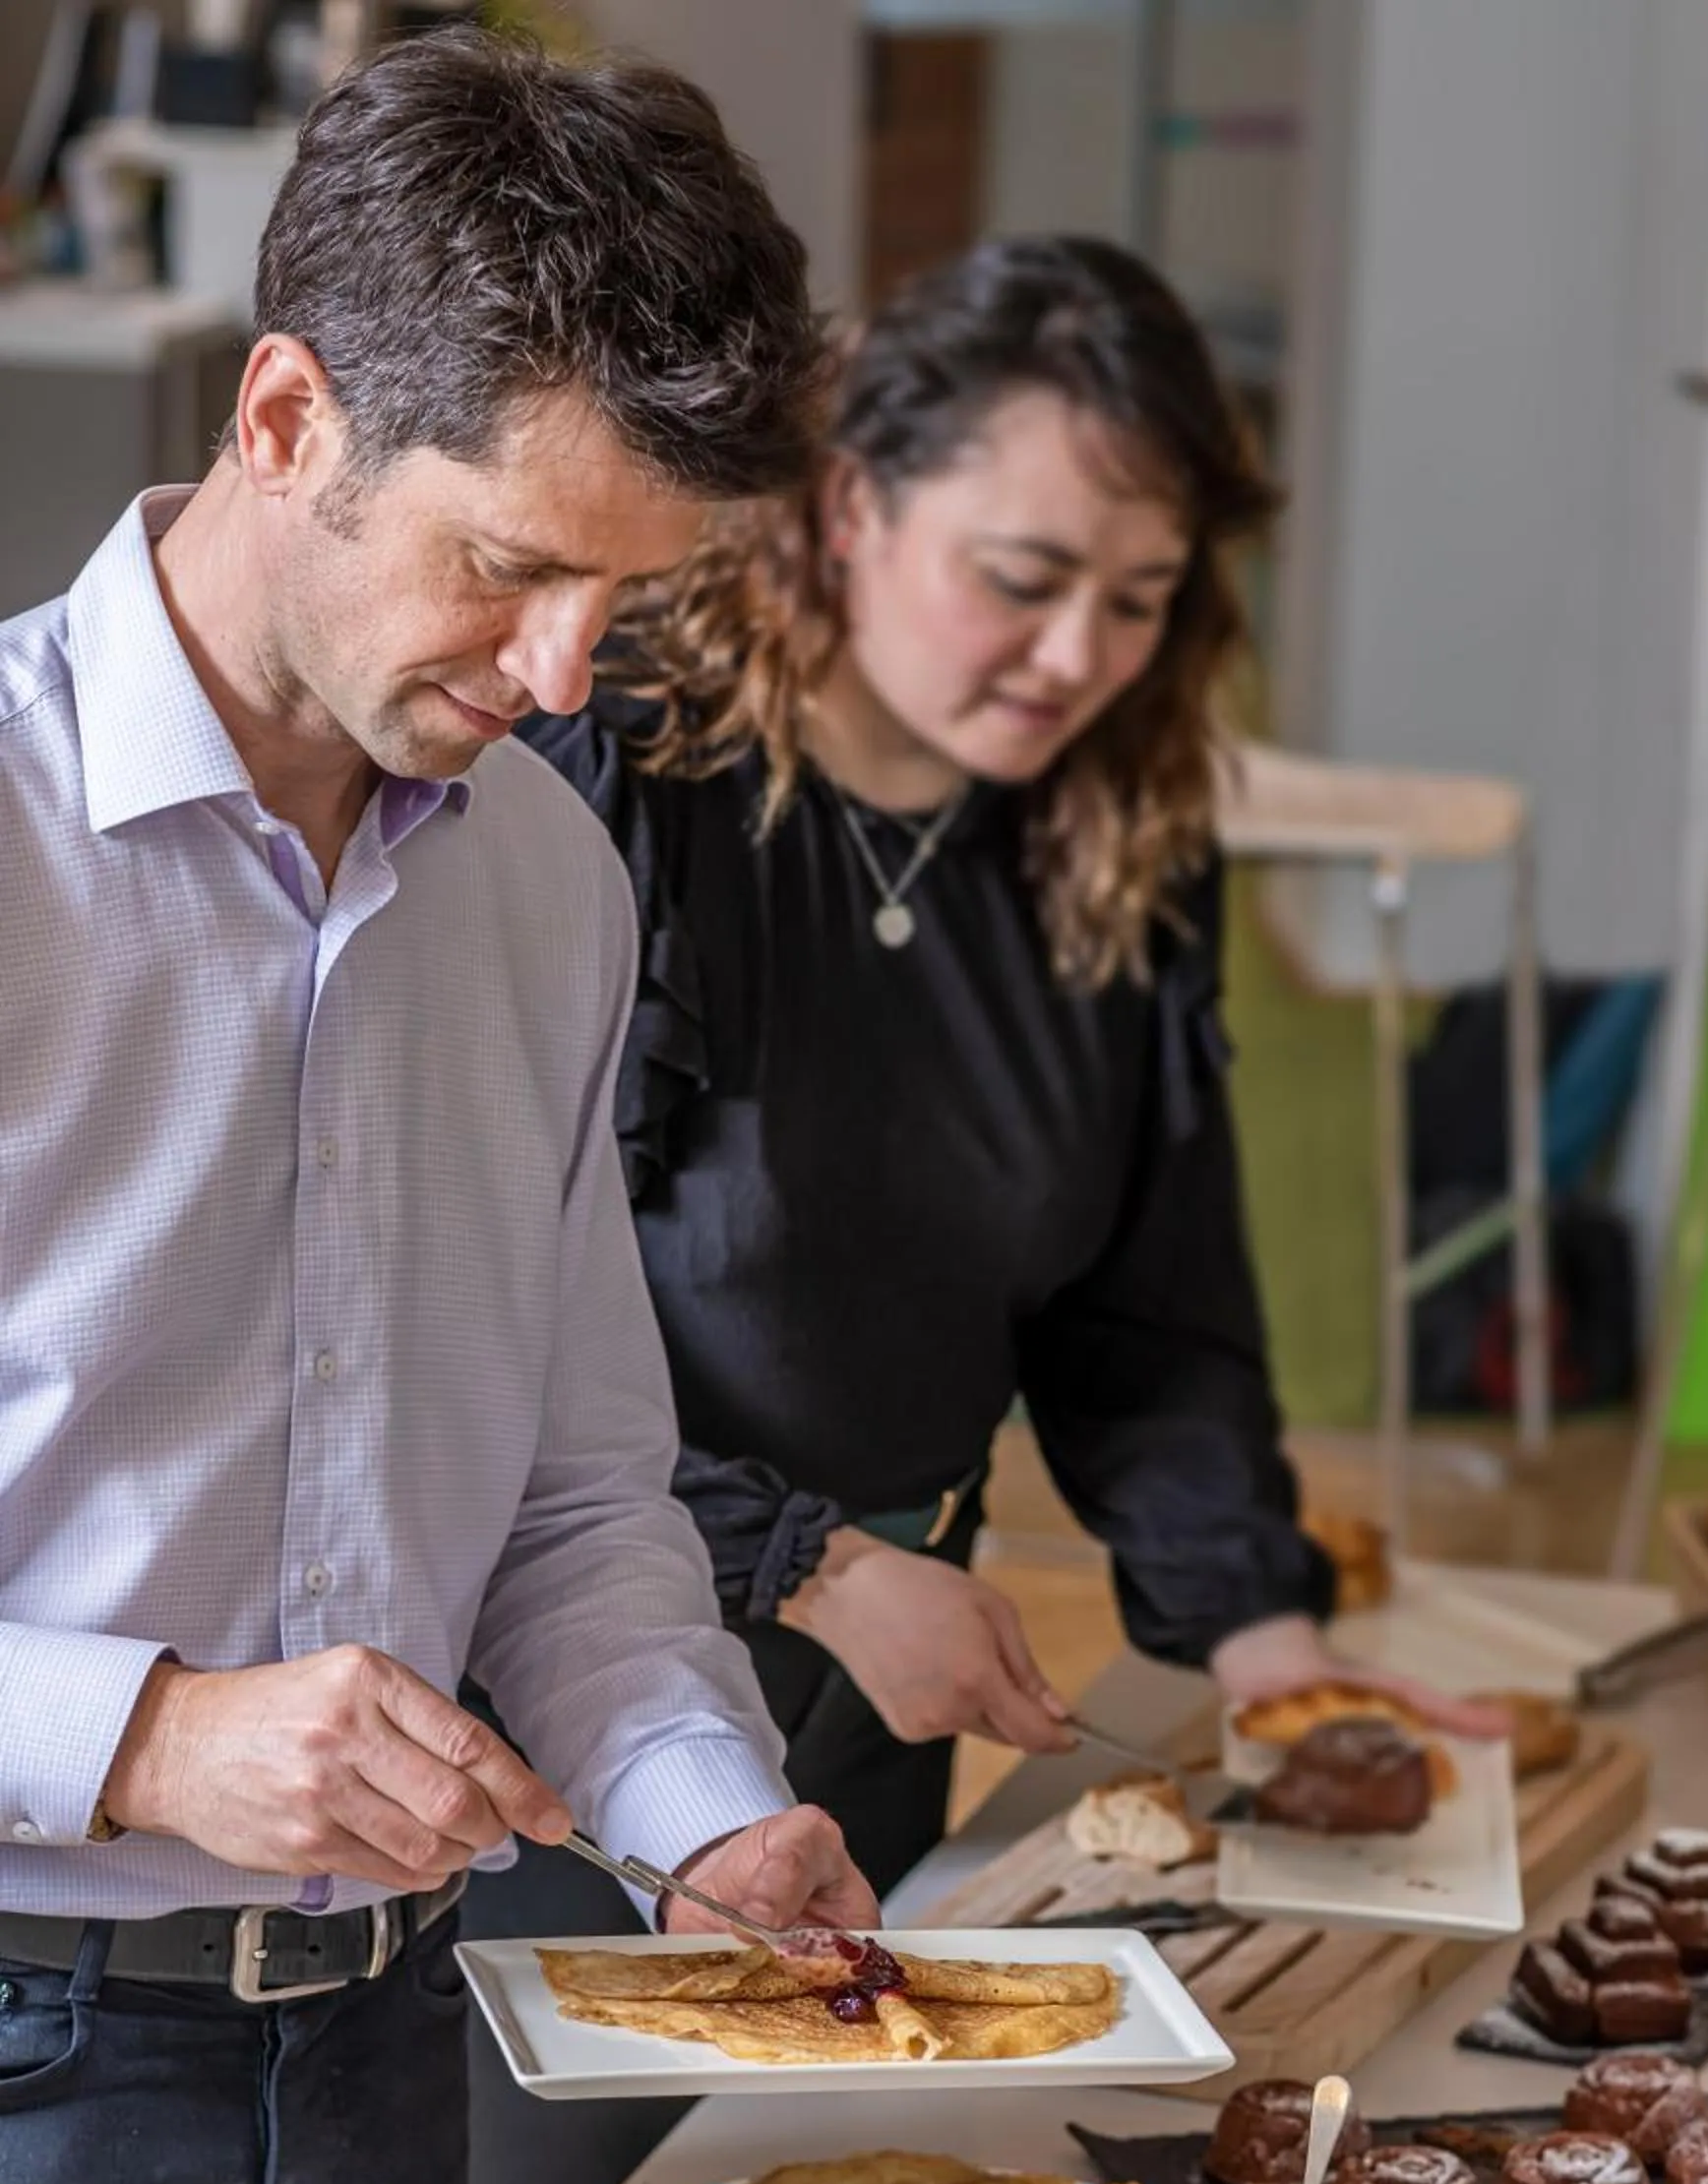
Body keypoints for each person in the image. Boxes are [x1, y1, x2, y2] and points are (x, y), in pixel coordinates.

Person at [0, 27, 877, 2184]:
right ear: (287, 416)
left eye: (624, 605)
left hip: (398, 2088)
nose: (560, 676)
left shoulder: (553, 882)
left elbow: (582, 1498)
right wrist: (148, 1738)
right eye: (508, 572)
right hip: (21, 2083)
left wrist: (699, 1805)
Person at [509, 233, 1494, 1916]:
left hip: (896, 1656)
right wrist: (807, 1563)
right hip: (567, 1668)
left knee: (797, 2162)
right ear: (848, 508)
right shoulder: (608, 775)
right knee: (564, 2180)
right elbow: (461, 1327)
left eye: (1138, 599)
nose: (1075, 659)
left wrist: (1268, 1643)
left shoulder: (1110, 831)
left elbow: (1148, 1309)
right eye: (1021, 580)